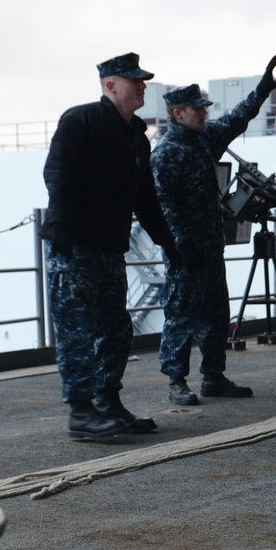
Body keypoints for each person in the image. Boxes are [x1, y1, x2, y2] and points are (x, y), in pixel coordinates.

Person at [41, 52, 181, 442]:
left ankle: (107, 401)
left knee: (116, 329)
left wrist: (168, 244)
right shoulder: (81, 120)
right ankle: (81, 413)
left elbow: (145, 198)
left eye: (143, 81)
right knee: (77, 330)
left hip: (108, 250)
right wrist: (64, 230)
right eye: (134, 80)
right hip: (74, 248)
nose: (142, 86)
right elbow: (57, 174)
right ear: (110, 85)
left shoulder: (136, 135)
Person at [151, 63, 276, 405]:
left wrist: (261, 91)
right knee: (181, 314)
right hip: (186, 251)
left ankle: (213, 377)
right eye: (198, 109)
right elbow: (161, 202)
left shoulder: (204, 139)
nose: (204, 114)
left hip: (210, 248)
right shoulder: (166, 153)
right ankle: (176, 380)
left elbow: (236, 120)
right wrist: (179, 242)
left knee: (216, 313)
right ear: (178, 113)